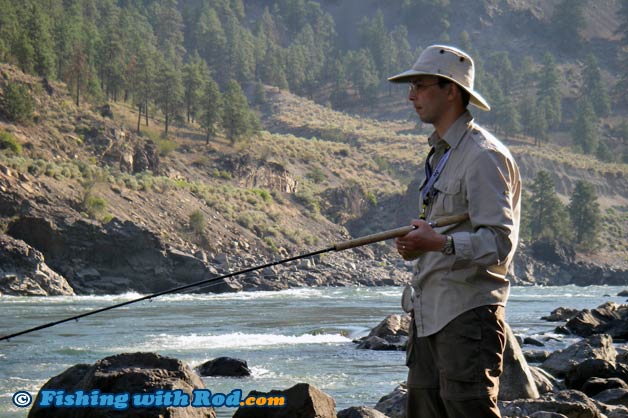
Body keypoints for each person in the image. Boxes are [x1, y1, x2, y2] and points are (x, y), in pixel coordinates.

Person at [388, 45, 521, 418]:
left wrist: (440, 243)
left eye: (420, 85)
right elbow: (446, 231)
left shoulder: (484, 156)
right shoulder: (440, 154)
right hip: (428, 315)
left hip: (466, 315)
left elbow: (499, 243)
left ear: (451, 90)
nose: (411, 95)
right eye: (410, 86)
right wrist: (419, 245)